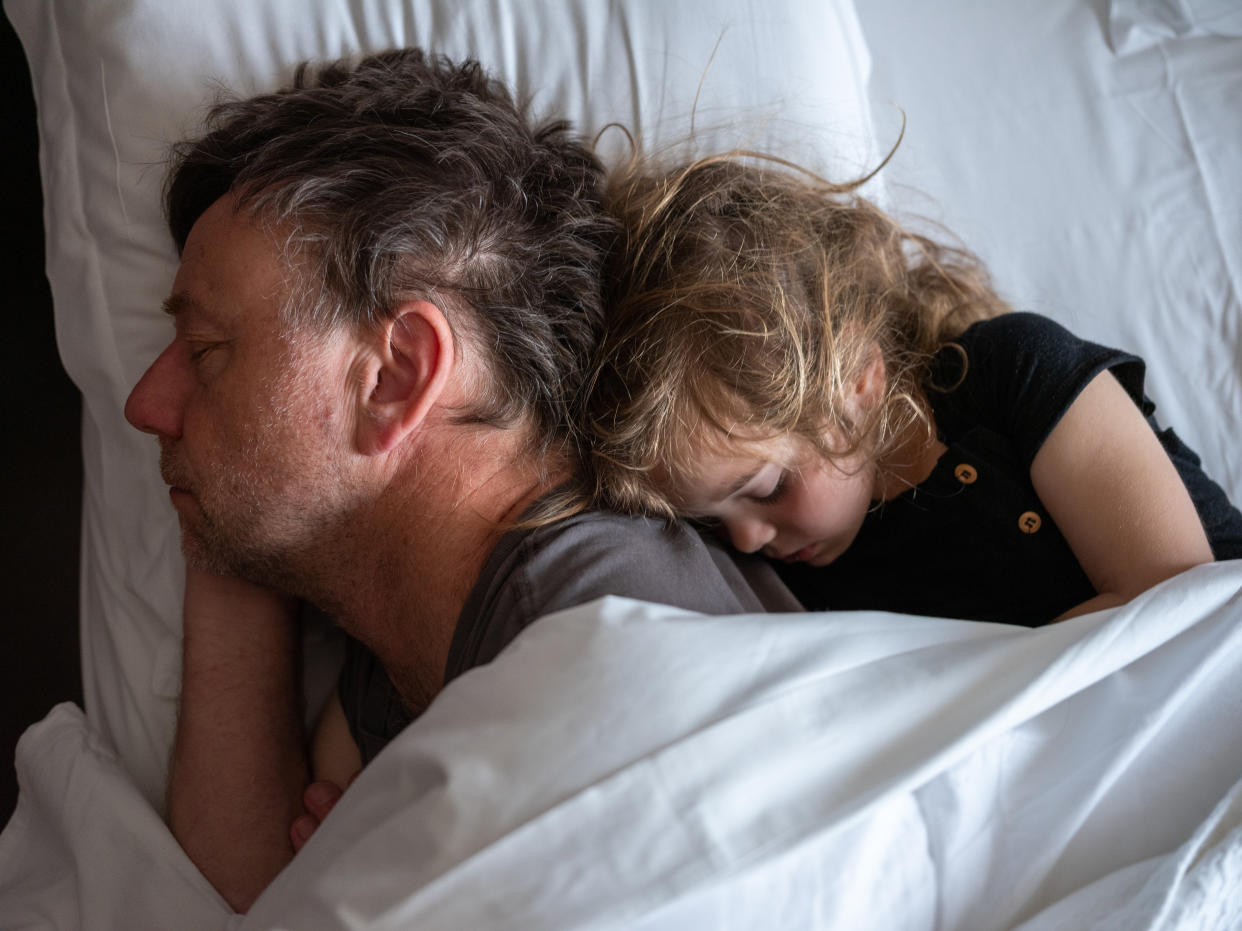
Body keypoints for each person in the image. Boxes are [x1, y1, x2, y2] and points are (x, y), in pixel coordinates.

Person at [123, 51, 799, 914]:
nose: (146, 403)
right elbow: (243, 892)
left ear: (395, 375)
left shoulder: (608, 629)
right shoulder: (413, 654)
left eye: (209, 351)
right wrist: (225, 515)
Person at [585, 154, 1242, 626]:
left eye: (765, 489)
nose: (750, 540)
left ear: (860, 383)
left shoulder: (1011, 372)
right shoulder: (811, 582)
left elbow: (1178, 602)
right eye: (709, 520)